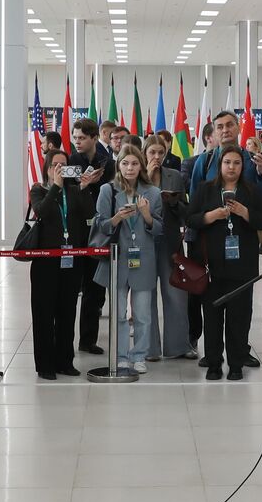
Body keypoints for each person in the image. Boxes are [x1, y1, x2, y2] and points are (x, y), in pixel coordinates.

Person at [188, 146, 262, 380]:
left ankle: (236, 364)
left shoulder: (252, 191)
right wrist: (210, 216)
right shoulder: (206, 190)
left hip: (242, 266)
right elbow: (190, 218)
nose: (232, 167)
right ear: (220, 165)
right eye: (227, 162)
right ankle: (214, 363)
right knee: (213, 317)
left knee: (239, 318)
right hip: (211, 265)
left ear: (242, 166)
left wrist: (246, 213)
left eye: (236, 163)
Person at [91, 144, 162, 372]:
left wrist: (147, 215)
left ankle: (139, 354)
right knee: (119, 313)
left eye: (134, 163)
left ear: (141, 165)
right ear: (118, 166)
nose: (129, 168)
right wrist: (116, 218)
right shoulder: (107, 191)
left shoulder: (153, 193)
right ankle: (121, 355)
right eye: (125, 163)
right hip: (118, 260)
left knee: (142, 314)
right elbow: (100, 225)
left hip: (144, 259)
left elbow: (160, 229)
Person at [29, 150, 88, 379]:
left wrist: (83, 189)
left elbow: (88, 215)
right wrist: (55, 185)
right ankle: (45, 364)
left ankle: (65, 361)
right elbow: (41, 212)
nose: (61, 169)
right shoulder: (39, 189)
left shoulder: (73, 191)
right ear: (47, 167)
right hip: (45, 262)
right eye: (56, 165)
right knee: (44, 312)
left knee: (67, 311)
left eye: (64, 165)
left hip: (71, 259)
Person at [143, 135, 192, 359]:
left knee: (175, 293)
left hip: (170, 239)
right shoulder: (137, 174)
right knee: (146, 293)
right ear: (145, 153)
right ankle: (149, 348)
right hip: (143, 241)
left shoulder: (174, 176)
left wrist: (173, 201)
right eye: (152, 152)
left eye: (161, 153)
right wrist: (150, 182)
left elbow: (185, 211)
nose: (156, 157)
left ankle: (178, 346)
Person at [68, 118, 113, 354]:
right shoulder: (70, 162)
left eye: (82, 138)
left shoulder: (107, 163)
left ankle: (88, 340)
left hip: (100, 231)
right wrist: (84, 185)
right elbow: (65, 194)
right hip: (76, 233)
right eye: (75, 138)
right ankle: (66, 339)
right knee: (72, 287)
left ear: (94, 138)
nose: (77, 142)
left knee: (95, 291)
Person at [180, 121, 216, 350]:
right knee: (196, 287)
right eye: (219, 132)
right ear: (208, 139)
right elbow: (190, 197)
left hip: (227, 237)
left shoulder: (238, 162)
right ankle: (192, 335)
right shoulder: (192, 163)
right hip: (199, 234)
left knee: (222, 289)